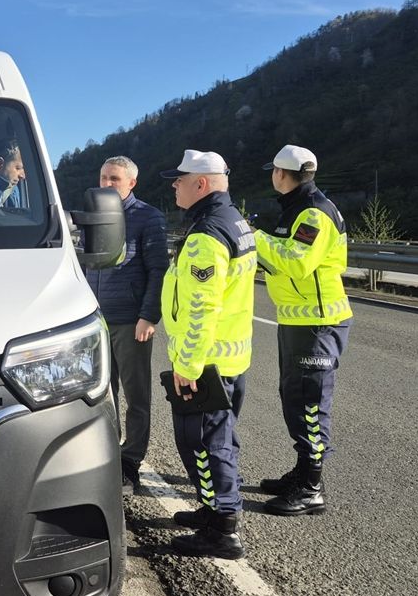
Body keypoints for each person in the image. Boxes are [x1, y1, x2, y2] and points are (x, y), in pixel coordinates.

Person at [160, 149, 256, 559]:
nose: (174, 187)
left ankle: (223, 530)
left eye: (179, 180)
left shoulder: (205, 235)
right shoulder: (235, 222)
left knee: (202, 444)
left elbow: (202, 308)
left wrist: (188, 365)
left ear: (201, 184)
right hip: (230, 357)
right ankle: (213, 509)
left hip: (207, 364)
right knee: (220, 439)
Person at [255, 145, 352, 517]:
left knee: (310, 402)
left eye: (273, 171)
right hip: (297, 318)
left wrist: (251, 237)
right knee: (293, 397)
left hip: (318, 321)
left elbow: (295, 263)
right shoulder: (298, 208)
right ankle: (303, 471)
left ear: (281, 174)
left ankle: (311, 487)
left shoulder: (314, 212)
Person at [83, 157, 168, 495]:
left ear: (132, 183)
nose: (107, 184)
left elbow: (159, 270)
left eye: (115, 179)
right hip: (96, 320)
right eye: (103, 177)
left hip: (131, 321)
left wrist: (148, 316)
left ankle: (130, 461)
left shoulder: (148, 217)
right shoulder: (93, 214)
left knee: (136, 396)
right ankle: (106, 453)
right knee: (102, 393)